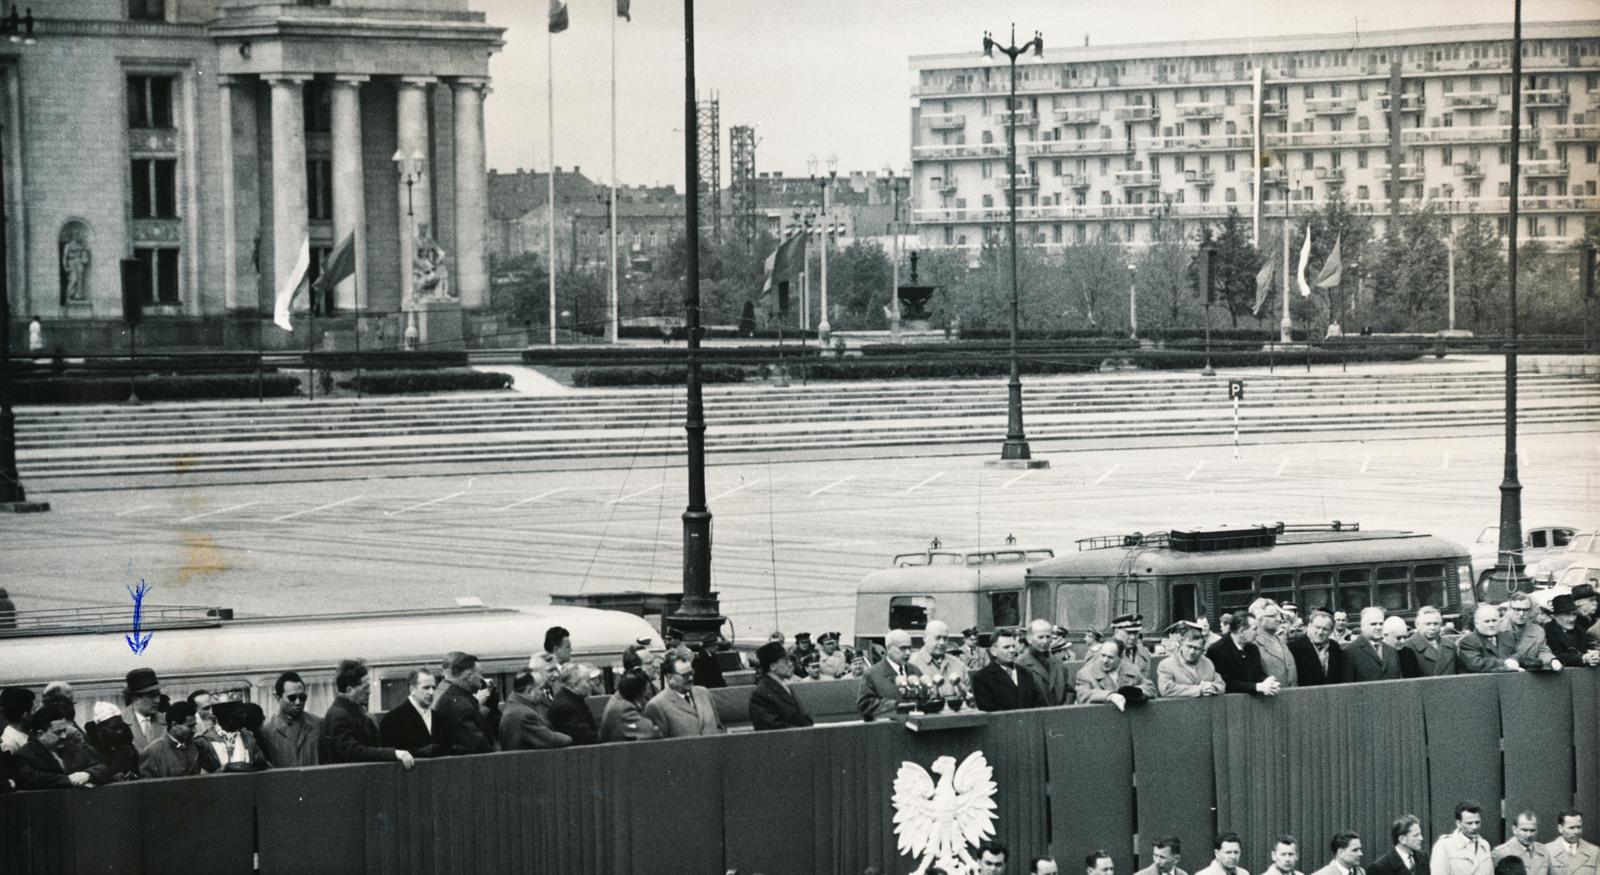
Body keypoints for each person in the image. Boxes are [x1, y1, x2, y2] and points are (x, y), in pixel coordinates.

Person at [321, 659, 416, 769]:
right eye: (365, 687)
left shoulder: (351, 712)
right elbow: (354, 752)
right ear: (349, 690)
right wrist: (394, 754)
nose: (369, 691)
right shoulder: (338, 716)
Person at [14, 705, 108, 789]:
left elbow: (102, 767)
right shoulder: (25, 755)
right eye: (58, 732)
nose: (64, 736)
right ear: (41, 734)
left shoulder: (72, 748)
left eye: (64, 730)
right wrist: (68, 779)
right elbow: (30, 779)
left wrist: (88, 774)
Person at [645, 652, 726, 737]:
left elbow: (719, 727)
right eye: (685, 676)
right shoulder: (657, 705)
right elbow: (662, 745)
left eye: (691, 673)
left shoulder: (704, 693)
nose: (691, 678)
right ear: (669, 678)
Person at [432, 653, 495, 755]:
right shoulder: (462, 707)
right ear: (469, 676)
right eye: (480, 673)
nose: (482, 678)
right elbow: (479, 748)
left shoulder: (450, 698)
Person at [138, 701, 221, 779]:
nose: (194, 730)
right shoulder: (152, 752)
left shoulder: (198, 745)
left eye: (194, 725)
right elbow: (147, 788)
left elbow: (216, 774)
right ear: (174, 726)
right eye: (190, 726)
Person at [973, 628, 1048, 712]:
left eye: (1013, 646)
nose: (1012, 650)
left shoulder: (1026, 673)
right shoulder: (982, 678)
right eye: (1006, 647)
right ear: (994, 651)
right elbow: (990, 712)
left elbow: (1038, 704)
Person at [498, 666, 572, 751]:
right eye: (540, 689)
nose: (542, 693)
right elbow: (552, 740)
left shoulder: (514, 706)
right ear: (529, 691)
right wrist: (569, 737)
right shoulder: (524, 715)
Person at [1207, 613, 1282, 696]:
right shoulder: (1216, 651)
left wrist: (1268, 682)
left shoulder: (1253, 649)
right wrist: (1257, 687)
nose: (1257, 633)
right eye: (1254, 629)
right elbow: (1226, 683)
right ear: (1242, 631)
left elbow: (1258, 674)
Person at [857, 629, 923, 720]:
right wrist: (895, 705)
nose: (908, 653)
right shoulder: (872, 674)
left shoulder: (915, 670)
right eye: (903, 648)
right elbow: (865, 706)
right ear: (888, 649)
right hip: (889, 729)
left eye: (909, 648)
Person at [260, 671, 321, 768]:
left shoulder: (318, 725)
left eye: (302, 697)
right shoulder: (267, 732)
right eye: (292, 698)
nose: (298, 702)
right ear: (278, 698)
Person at [1076, 639, 1157, 711]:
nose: (1105, 660)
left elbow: (1150, 688)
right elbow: (1083, 695)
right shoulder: (1086, 673)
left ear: (1121, 657)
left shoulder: (1131, 669)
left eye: (1110, 657)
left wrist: (1134, 691)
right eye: (1103, 655)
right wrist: (1110, 696)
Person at [749, 641, 814, 731]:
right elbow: (774, 729)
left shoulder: (784, 686)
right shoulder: (761, 695)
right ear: (773, 667)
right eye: (785, 661)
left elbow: (801, 716)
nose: (791, 664)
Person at [380, 668, 440, 757]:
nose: (431, 692)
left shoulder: (439, 719)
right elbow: (390, 754)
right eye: (426, 687)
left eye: (433, 688)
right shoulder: (393, 719)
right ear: (412, 689)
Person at [1159, 622, 1227, 697]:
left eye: (1197, 648)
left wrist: (1213, 687)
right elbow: (1166, 689)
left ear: (1202, 650)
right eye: (1189, 646)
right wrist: (1199, 690)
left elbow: (1221, 685)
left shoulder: (1208, 663)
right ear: (1181, 645)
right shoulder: (1166, 665)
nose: (1192, 652)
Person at [1017, 619, 1073, 706]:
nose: (1045, 641)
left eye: (1048, 637)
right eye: (1040, 637)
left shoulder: (1057, 662)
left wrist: (1063, 710)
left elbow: (1069, 691)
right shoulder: (1020, 665)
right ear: (1029, 638)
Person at [1457, 605, 1528, 673]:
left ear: (1500, 621)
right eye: (1487, 621)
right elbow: (1476, 664)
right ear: (1476, 623)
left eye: (1494, 621)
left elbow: (1519, 653)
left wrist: (1514, 659)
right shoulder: (1468, 641)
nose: (1491, 625)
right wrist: (1505, 663)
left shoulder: (1508, 637)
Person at [1431, 801, 1494, 875]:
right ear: (1458, 823)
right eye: (1469, 823)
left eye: (1477, 822)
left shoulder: (1484, 845)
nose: (1474, 827)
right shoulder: (1444, 846)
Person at [1503, 594, 1562, 671]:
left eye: (1525, 610)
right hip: (1502, 674)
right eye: (1517, 609)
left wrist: (1552, 660)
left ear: (1530, 610)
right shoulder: (1497, 628)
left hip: (1528, 675)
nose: (1521, 614)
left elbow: (1542, 651)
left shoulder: (1538, 631)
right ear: (1510, 609)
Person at [85, 701, 140, 782]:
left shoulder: (128, 748)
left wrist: (134, 776)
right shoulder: (87, 750)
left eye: (121, 727)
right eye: (114, 728)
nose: (120, 731)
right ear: (99, 730)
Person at [548, 662, 602, 746]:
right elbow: (585, 738)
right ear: (575, 684)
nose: (591, 684)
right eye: (587, 681)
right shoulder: (564, 708)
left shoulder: (572, 699)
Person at [1343, 607, 1402, 682]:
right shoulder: (1350, 652)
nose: (1378, 627)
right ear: (1363, 626)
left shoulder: (1392, 651)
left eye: (1381, 624)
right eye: (1373, 624)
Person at [599, 671, 661, 742]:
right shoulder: (625, 709)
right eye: (646, 689)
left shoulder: (617, 698)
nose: (647, 692)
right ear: (637, 692)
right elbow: (651, 731)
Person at [1249, 599, 1299, 688]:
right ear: (1259, 619)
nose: (1279, 619)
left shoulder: (1280, 639)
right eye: (1273, 616)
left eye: (1279, 615)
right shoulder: (1253, 644)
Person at [912, 620, 973, 692]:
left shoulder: (957, 663)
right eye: (937, 638)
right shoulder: (912, 663)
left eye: (945, 638)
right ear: (925, 638)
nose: (942, 642)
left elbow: (970, 692)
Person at [1290, 611, 1348, 686]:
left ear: (1331, 631)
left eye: (1325, 629)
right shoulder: (1294, 648)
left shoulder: (1334, 646)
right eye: (1317, 627)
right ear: (1309, 626)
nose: (1320, 632)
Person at [1400, 607, 1458, 678]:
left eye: (1436, 624)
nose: (1432, 628)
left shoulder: (1451, 645)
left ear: (1441, 625)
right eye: (1428, 624)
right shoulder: (1407, 648)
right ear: (1417, 625)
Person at [1544, 596, 1600, 667]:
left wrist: (1594, 655)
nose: (1572, 619)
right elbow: (1555, 655)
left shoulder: (1579, 630)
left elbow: (1588, 648)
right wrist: (1583, 658)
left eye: (1574, 614)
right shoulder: (1547, 630)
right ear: (1555, 615)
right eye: (1567, 614)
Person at [120, 668, 166, 751]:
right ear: (136, 699)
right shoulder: (119, 723)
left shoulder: (165, 721)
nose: (157, 700)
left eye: (158, 695)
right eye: (152, 696)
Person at [1544, 810, 1598, 875]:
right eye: (1571, 828)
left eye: (1579, 827)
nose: (1576, 831)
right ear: (1560, 828)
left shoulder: (1594, 852)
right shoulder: (1547, 851)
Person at [1, 687, 34, 755]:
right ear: (25, 715)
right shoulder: (9, 744)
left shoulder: (28, 735)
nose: (34, 713)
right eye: (33, 710)